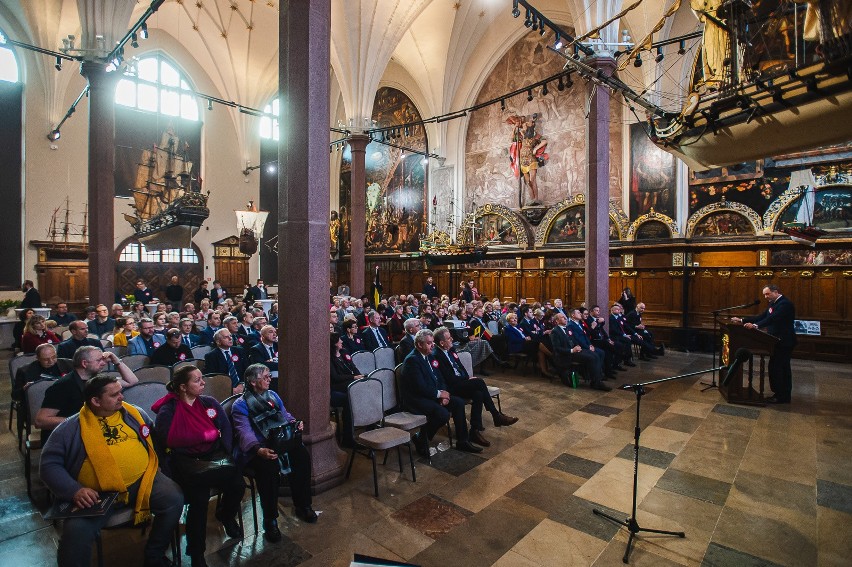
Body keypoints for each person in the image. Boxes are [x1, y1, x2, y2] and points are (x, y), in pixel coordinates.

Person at [40, 375, 183, 567]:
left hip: (145, 479)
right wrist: (74, 490)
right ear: (96, 401)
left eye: (120, 392)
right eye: (115, 394)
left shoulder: (135, 413)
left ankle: (154, 554)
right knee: (75, 535)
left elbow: (154, 439)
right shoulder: (71, 427)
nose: (122, 397)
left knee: (174, 499)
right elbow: (49, 465)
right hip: (97, 494)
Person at [151, 366, 245, 566]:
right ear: (183, 387)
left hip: (215, 456)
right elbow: (168, 439)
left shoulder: (208, 403)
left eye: (202, 379)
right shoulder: (169, 410)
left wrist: (225, 450)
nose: (203, 383)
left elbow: (225, 427)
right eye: (197, 380)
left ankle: (226, 515)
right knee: (199, 500)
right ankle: (196, 552)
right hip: (188, 464)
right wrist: (204, 435)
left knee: (237, 485)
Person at [232, 364, 318, 542]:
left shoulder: (273, 395)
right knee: (268, 469)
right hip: (258, 447)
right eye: (265, 377)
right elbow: (244, 432)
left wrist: (295, 423)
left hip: (280, 441)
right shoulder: (241, 404)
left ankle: (303, 504)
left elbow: (285, 415)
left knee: (301, 456)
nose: (269, 379)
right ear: (253, 382)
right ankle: (270, 520)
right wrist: (258, 449)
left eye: (269, 376)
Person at [400, 329, 482, 456]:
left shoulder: (429, 356)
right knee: (442, 414)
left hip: (431, 394)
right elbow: (419, 387)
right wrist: (439, 395)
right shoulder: (412, 360)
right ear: (419, 345)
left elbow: (440, 378)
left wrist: (444, 392)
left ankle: (463, 441)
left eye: (433, 342)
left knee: (458, 403)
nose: (433, 345)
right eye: (429, 343)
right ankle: (421, 438)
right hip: (416, 399)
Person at [433, 328, 517, 447]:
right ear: (442, 343)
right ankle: (495, 414)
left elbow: (460, 367)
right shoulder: (436, 355)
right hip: (451, 387)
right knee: (479, 382)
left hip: (461, 383)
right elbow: (449, 378)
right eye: (449, 338)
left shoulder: (450, 349)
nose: (452, 339)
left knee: (478, 393)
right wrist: (467, 379)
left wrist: (467, 377)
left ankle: (474, 430)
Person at [36, 346, 140, 443]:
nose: (104, 363)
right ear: (84, 363)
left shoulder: (97, 379)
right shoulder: (63, 385)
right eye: (99, 360)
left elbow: (132, 381)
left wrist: (117, 361)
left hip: (92, 431)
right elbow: (41, 421)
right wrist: (84, 420)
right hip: (70, 436)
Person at [731, 284, 796, 404]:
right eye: (764, 294)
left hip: (784, 341)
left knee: (780, 368)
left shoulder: (784, 304)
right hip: (775, 340)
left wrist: (756, 326)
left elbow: (773, 318)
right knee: (776, 368)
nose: (765, 296)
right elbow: (762, 316)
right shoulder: (773, 303)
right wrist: (742, 320)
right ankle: (780, 394)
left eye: (767, 294)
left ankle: (782, 396)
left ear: (775, 292)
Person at [550, 312, 610, 391]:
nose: (565, 318)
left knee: (595, 354)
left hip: (575, 351)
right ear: (557, 321)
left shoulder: (567, 328)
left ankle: (597, 380)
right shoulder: (555, 331)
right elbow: (557, 348)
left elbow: (574, 340)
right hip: (566, 355)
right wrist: (572, 350)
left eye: (565, 317)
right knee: (591, 358)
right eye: (562, 317)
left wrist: (578, 346)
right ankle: (596, 383)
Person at [330, 332, 362, 447]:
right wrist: (354, 377)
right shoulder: (329, 357)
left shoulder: (344, 352)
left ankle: (369, 422)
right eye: (339, 340)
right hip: (336, 387)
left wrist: (360, 376)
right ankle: (348, 437)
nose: (342, 341)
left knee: (366, 386)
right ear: (334, 344)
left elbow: (353, 367)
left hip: (349, 382)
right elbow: (335, 377)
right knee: (349, 398)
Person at [204, 328, 248, 394]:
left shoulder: (239, 351)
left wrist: (242, 384)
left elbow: (247, 370)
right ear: (218, 341)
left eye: (230, 336)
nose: (230, 339)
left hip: (243, 387)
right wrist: (228, 388)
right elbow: (213, 378)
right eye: (226, 337)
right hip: (223, 389)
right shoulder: (211, 356)